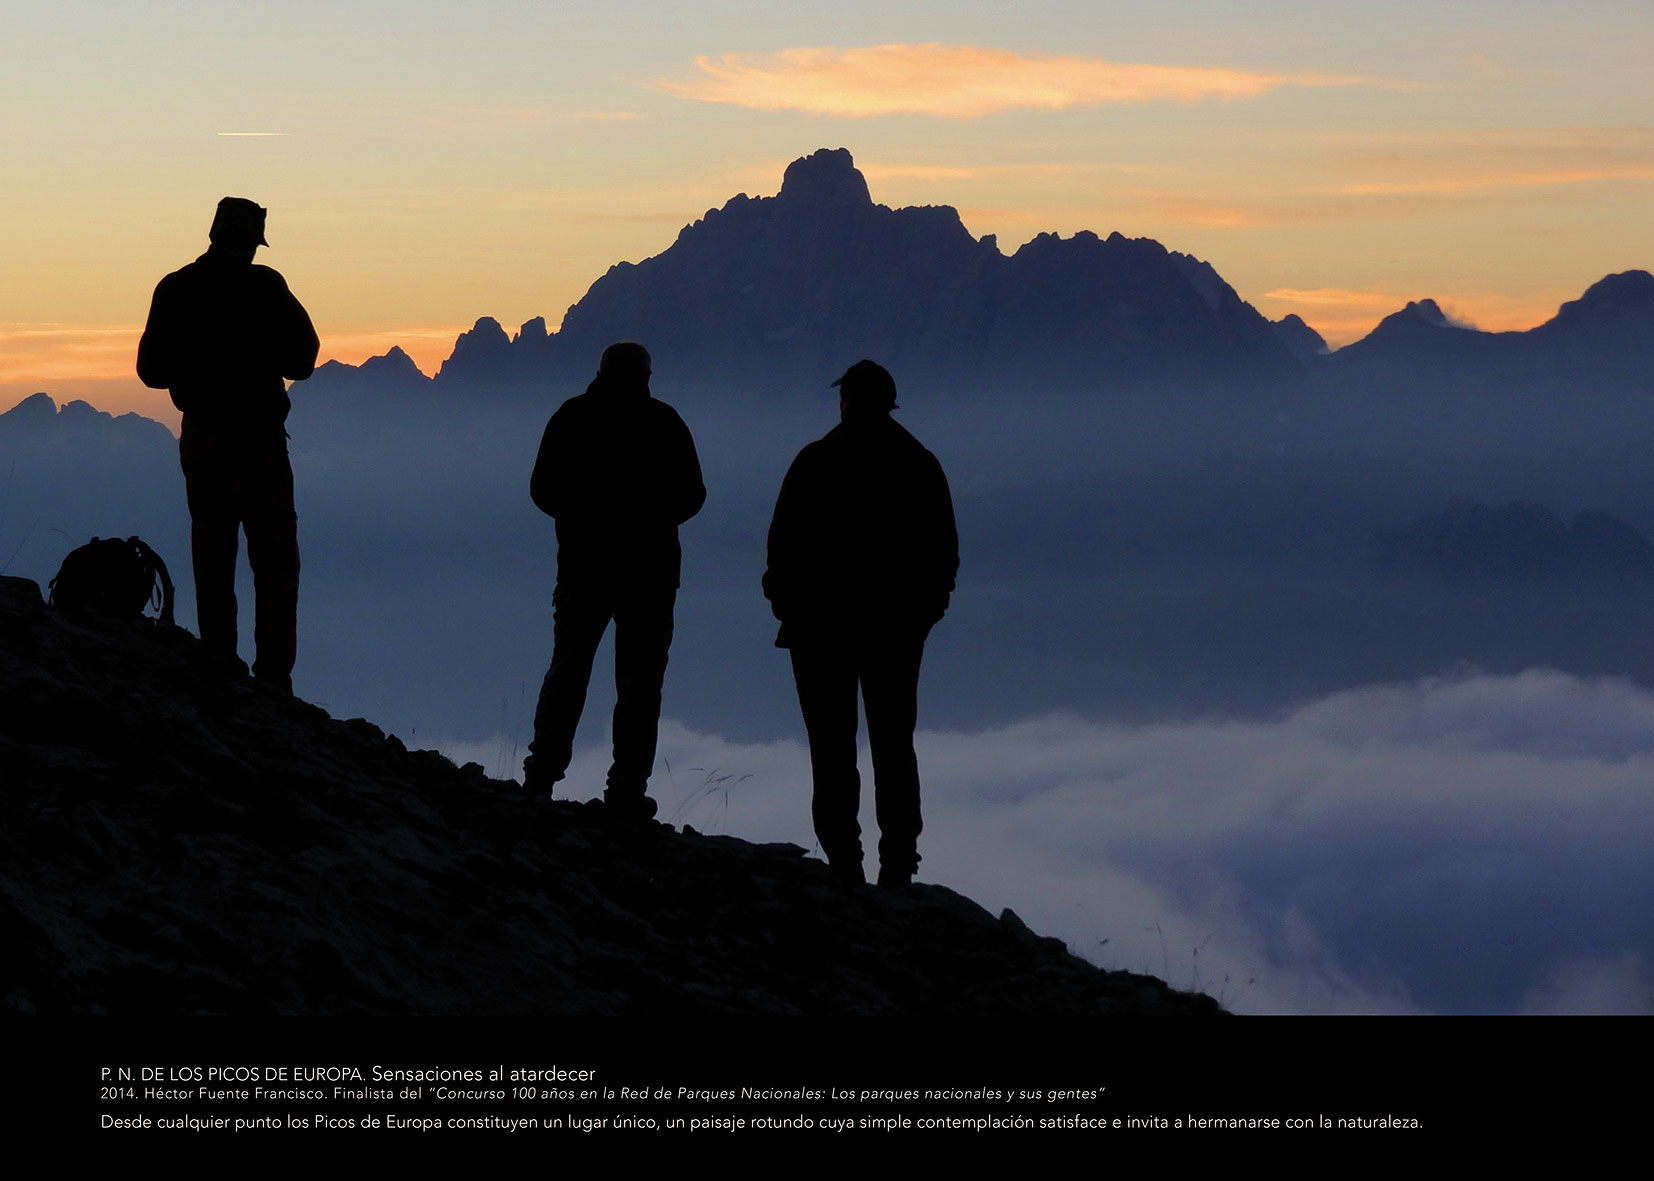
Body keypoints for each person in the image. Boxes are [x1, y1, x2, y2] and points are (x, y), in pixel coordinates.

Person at [763, 360, 958, 888]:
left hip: (819, 632)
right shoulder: (918, 464)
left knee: (831, 746)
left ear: (846, 399)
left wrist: (789, 607)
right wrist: (923, 615)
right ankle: (897, 862)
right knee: (893, 743)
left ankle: (843, 862)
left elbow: (780, 548)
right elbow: (944, 556)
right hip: (894, 633)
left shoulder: (816, 460)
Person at [137, 197, 319, 693]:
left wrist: (196, 364)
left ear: (214, 232)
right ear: (252, 241)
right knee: (276, 561)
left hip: (204, 440)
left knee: (213, 551)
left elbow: (150, 371)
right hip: (260, 444)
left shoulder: (176, 288)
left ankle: (219, 659)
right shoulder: (266, 287)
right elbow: (303, 360)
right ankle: (274, 679)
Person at [523, 341, 706, 821]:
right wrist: (652, 518)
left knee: (569, 669)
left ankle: (541, 775)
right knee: (640, 683)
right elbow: (692, 495)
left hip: (584, 567)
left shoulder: (573, 417)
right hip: (652, 574)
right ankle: (625, 790)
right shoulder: (665, 422)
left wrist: (583, 516)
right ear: (646, 375)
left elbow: (542, 489)